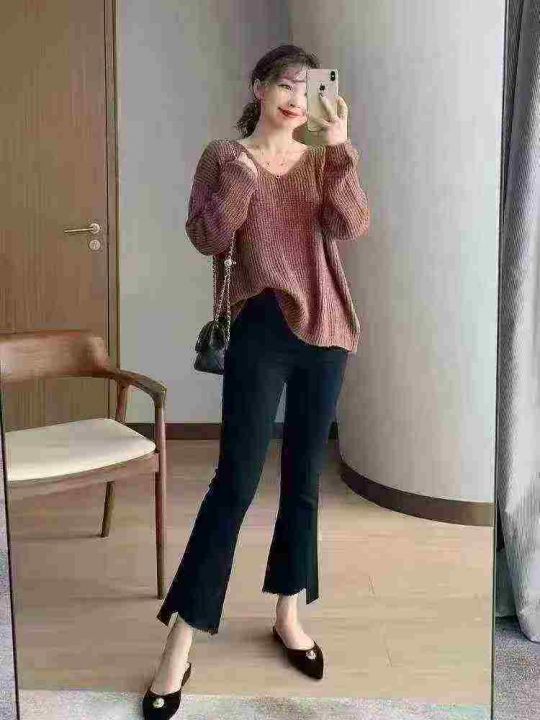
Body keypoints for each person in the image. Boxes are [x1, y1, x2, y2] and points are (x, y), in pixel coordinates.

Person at [142, 43, 370, 719]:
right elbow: (209, 238)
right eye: (286, 85)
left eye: (308, 87)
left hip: (326, 329)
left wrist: (340, 149)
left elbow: (353, 224)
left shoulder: (324, 158)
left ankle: (289, 614)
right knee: (234, 485)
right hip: (259, 328)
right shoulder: (224, 156)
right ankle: (180, 643)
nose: (297, 98)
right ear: (259, 87)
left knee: (303, 481)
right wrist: (244, 175)